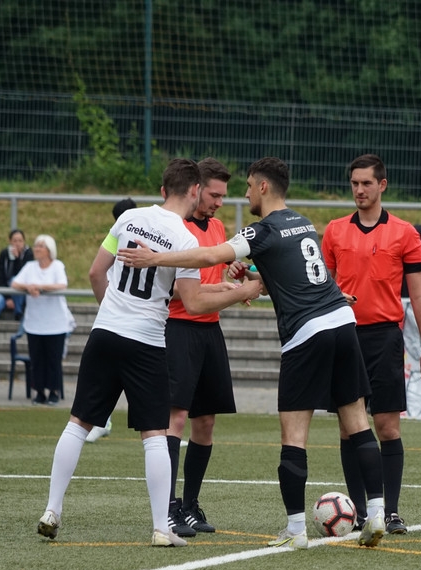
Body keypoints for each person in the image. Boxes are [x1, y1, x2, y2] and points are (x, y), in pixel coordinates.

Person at [118, 156, 390, 550]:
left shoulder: (261, 229)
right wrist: (255, 276)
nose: (244, 195)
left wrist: (155, 258)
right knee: (358, 423)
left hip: (307, 333)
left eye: (247, 187)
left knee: (293, 435)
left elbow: (210, 256)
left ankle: (295, 530)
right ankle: (377, 513)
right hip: (342, 322)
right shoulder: (303, 222)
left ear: (263, 187)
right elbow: (294, 272)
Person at [35, 158, 260, 548]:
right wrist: (244, 291)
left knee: (78, 424)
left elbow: (95, 272)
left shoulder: (128, 218)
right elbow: (193, 303)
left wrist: (113, 312)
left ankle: (52, 510)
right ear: (194, 191)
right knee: (155, 435)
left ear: (162, 190)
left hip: (106, 332)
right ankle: (161, 528)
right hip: (147, 341)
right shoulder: (186, 240)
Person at [321, 154, 421, 535]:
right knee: (348, 429)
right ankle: (357, 513)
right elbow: (323, 285)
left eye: (366, 183)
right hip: (344, 336)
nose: (359, 190)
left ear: (382, 185)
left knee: (387, 427)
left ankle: (390, 512)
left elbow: (417, 295)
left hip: (385, 338)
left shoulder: (404, 233)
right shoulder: (335, 231)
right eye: (354, 183)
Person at [163, 158, 239, 538]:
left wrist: (232, 275)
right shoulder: (175, 228)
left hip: (210, 330)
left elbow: (217, 272)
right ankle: (167, 506)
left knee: (205, 422)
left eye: (223, 196)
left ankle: (190, 505)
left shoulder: (219, 226)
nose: (219, 202)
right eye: (214, 195)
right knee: (175, 419)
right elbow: (178, 290)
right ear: (195, 189)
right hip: (178, 329)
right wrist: (224, 290)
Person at [84, 198, 138, 444]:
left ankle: (101, 421)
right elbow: (97, 273)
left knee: (107, 374)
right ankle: (164, 430)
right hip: (130, 317)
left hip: (123, 316)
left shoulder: (122, 234)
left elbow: (95, 273)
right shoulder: (122, 235)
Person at [11, 234, 70, 406]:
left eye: (41, 246)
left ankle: (54, 391)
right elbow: (15, 283)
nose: (36, 249)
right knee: (37, 360)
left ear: (49, 250)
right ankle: (39, 392)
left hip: (55, 323)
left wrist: (40, 287)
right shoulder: (30, 267)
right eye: (36, 246)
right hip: (35, 322)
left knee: (53, 359)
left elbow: (62, 284)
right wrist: (28, 287)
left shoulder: (57, 266)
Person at [0, 229, 34, 320]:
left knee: (14, 279)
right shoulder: (4, 254)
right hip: (5, 290)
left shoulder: (28, 254)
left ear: (24, 241)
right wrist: (8, 298)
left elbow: (24, 275)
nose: (17, 244)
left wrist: (17, 259)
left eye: (20, 241)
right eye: (15, 241)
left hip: (22, 291)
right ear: (10, 241)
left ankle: (18, 313)